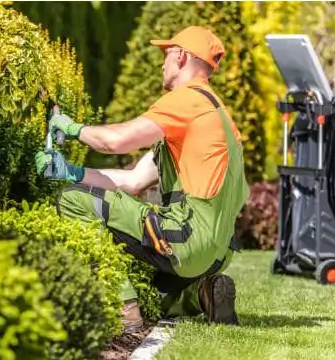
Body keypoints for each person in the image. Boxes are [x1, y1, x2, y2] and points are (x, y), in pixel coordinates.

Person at [35, 26, 250, 333]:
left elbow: (116, 141)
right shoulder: (217, 115)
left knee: (72, 199)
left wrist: (72, 128)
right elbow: (134, 180)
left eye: (166, 55)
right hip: (216, 253)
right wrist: (72, 172)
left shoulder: (186, 101)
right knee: (148, 287)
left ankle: (122, 308)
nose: (161, 63)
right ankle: (201, 294)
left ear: (180, 57)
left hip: (186, 239)